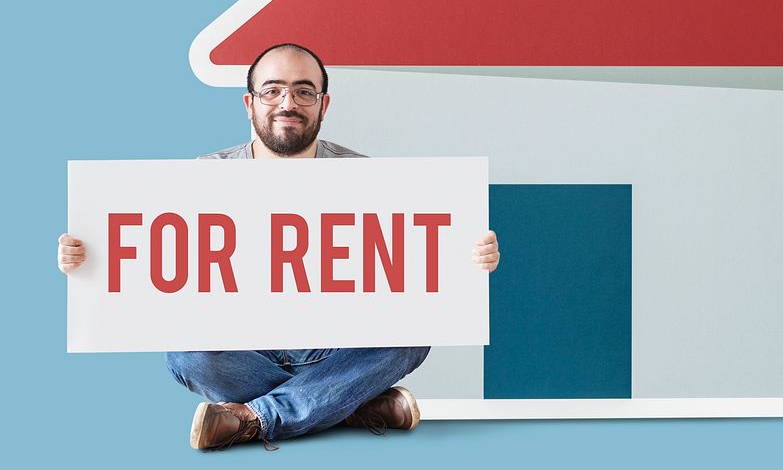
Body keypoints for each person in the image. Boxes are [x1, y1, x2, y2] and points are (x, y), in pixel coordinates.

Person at [57, 42, 500, 450]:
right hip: (242, 351)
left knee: (413, 333)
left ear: (323, 105)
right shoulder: (203, 176)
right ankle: (345, 402)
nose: (288, 103)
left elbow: (415, 262)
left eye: (304, 92)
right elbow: (154, 262)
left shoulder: (366, 178)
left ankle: (256, 416)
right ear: (250, 104)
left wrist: (467, 258)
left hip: (336, 344)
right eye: (272, 90)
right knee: (186, 351)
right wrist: (90, 257)